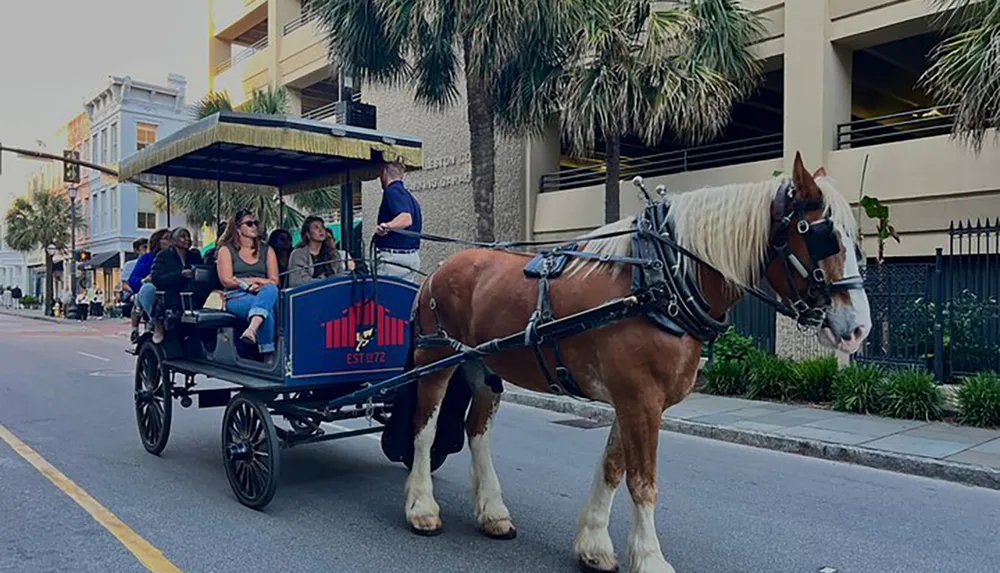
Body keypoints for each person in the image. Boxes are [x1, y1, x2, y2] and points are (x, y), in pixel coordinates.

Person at [215, 209, 280, 361]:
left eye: (255, 223)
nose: (254, 227)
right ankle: (268, 356)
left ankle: (252, 329)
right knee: (266, 312)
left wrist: (256, 282)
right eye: (249, 224)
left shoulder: (267, 250)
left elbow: (274, 280)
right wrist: (249, 283)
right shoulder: (226, 250)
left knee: (271, 289)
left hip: (263, 292)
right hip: (236, 295)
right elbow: (227, 280)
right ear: (237, 228)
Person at [149, 227, 206, 343]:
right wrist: (180, 275)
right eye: (182, 236)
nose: (187, 239)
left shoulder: (195, 255)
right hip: (172, 294)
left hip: (193, 293)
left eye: (188, 236)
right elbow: (157, 279)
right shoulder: (163, 256)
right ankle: (159, 327)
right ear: (173, 240)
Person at [373, 161, 422, 282]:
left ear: (384, 173)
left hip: (393, 259)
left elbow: (406, 218)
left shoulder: (392, 191)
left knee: (385, 298)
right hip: (411, 256)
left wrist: (387, 226)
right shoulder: (410, 197)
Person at [130, 229, 172, 341]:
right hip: (150, 291)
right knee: (146, 292)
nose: (170, 242)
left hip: (169, 291)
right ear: (158, 241)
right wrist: (144, 280)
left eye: (171, 238)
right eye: (167, 239)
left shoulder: (176, 257)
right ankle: (149, 323)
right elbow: (133, 280)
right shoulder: (148, 258)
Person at [287, 216, 347, 287]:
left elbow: (340, 276)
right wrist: (323, 282)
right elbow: (298, 281)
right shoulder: (298, 254)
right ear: (308, 234)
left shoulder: (333, 254)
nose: (321, 230)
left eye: (322, 227)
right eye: (316, 227)